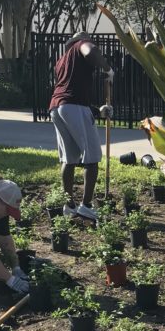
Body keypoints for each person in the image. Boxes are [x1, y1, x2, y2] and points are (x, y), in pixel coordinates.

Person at [48, 32, 114, 221]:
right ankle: (86, 206)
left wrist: (96, 111)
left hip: (57, 107)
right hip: (72, 107)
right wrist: (108, 69)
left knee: (68, 159)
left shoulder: (62, 61)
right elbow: (90, 50)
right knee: (92, 156)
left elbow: (71, 91)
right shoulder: (82, 46)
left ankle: (69, 206)